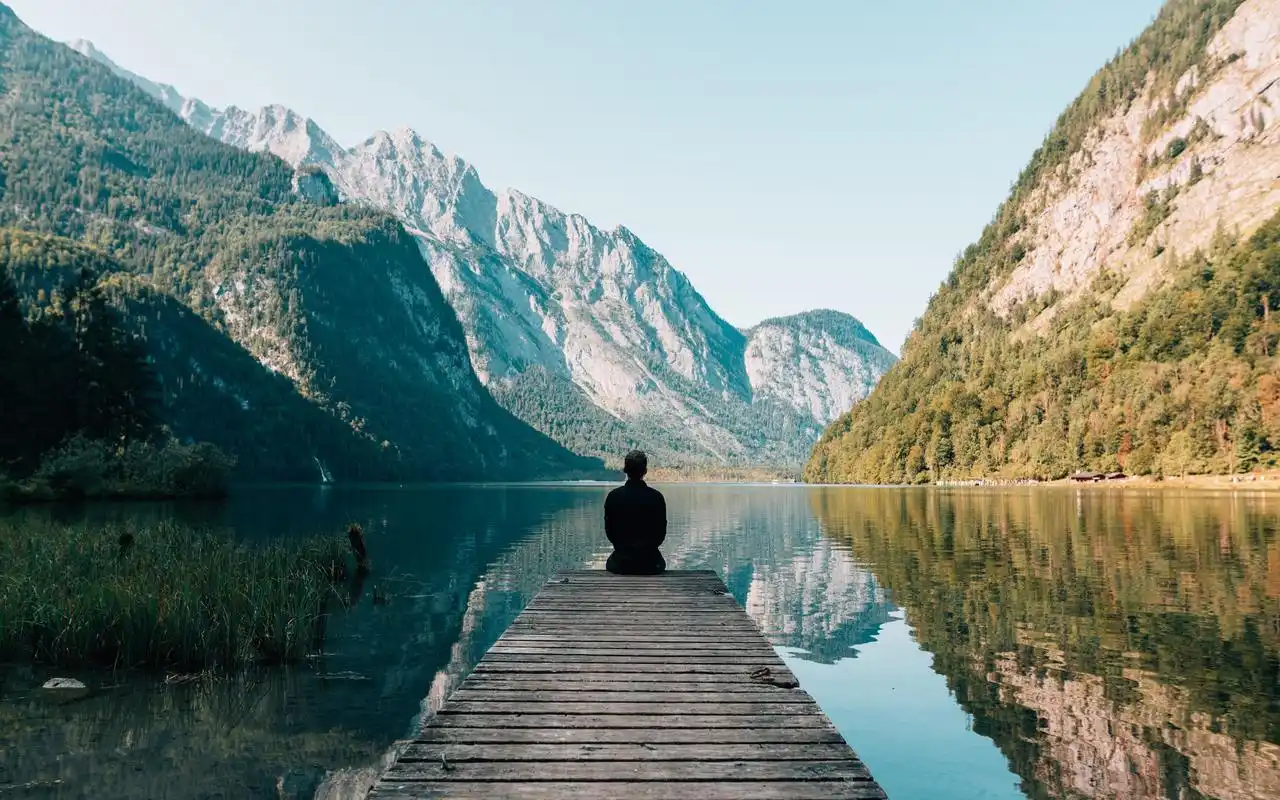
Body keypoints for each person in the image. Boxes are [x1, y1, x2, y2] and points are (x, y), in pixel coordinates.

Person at [604, 450, 667, 575]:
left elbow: (609, 532)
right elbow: (661, 534)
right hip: (651, 564)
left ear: (625, 470)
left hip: (620, 564)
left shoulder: (613, 496)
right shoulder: (656, 497)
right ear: (645, 471)